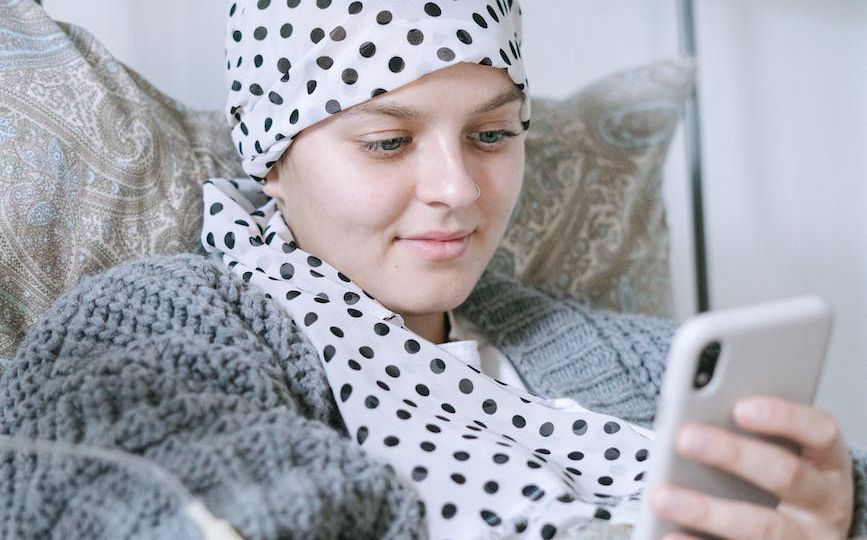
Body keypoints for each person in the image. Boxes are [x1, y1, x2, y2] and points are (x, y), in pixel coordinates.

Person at [0, 1, 864, 539]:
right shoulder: (163, 320)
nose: (456, 190)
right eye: (387, 142)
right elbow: (120, 492)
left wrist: (839, 513)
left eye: (492, 135)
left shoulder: (626, 357)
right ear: (271, 156)